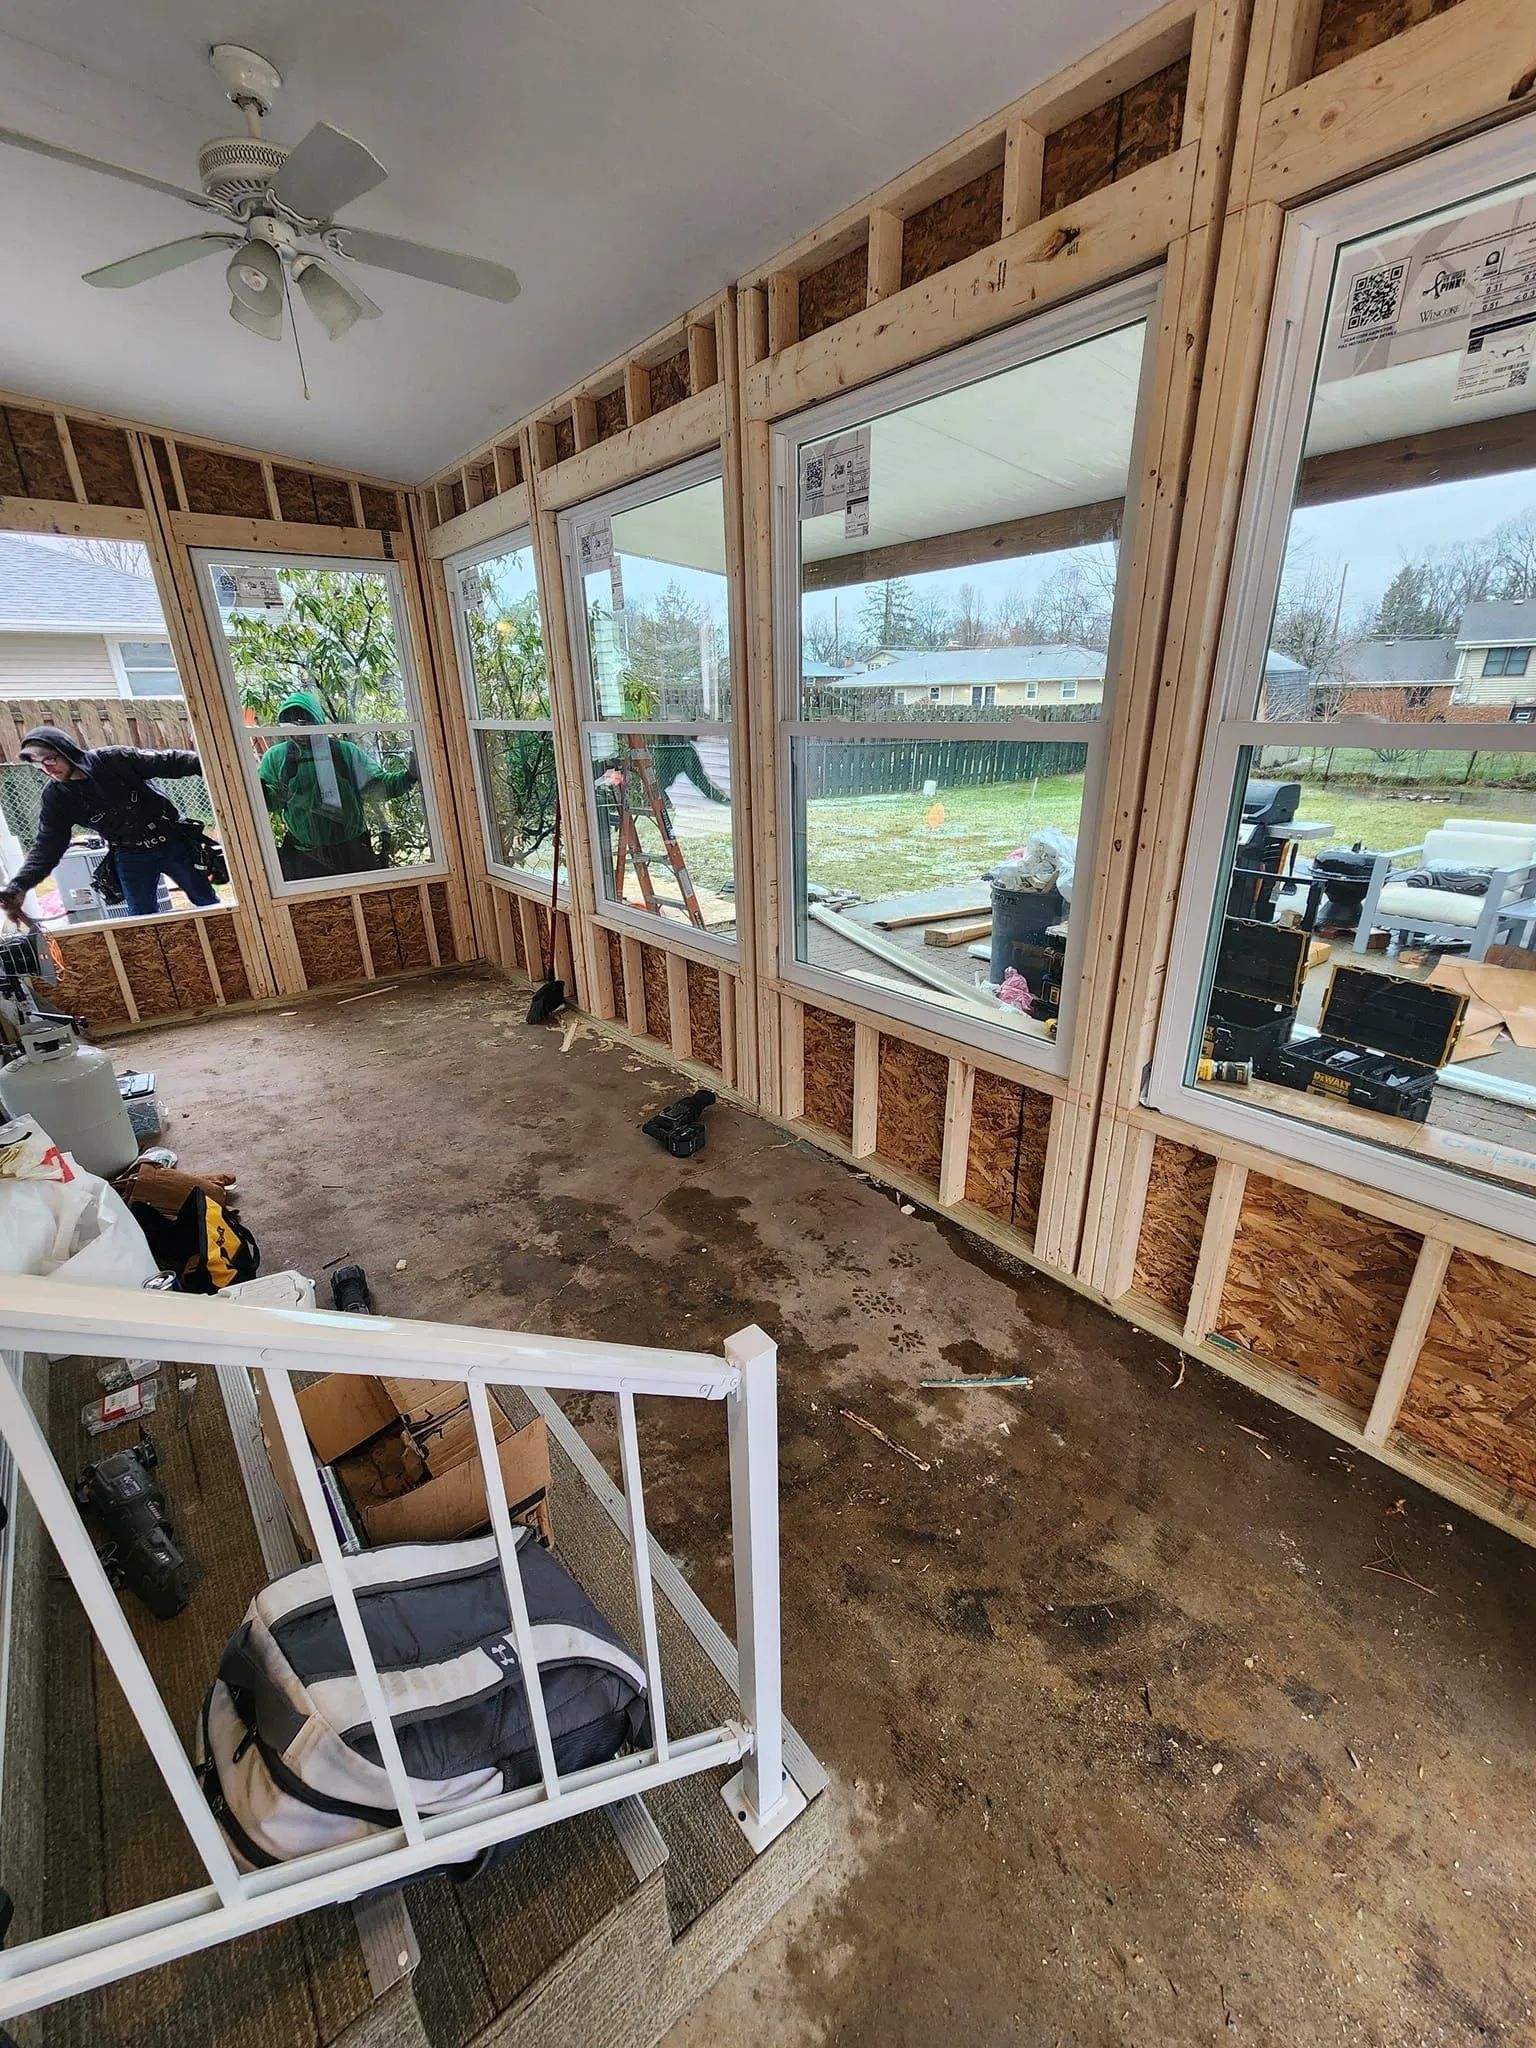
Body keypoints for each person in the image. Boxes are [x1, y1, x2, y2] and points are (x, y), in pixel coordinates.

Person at [0, 725, 219, 921]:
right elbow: (47, 847)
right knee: (141, 921)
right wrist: (18, 887)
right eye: (38, 764)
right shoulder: (57, 797)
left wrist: (219, 765)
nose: (47, 768)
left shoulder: (114, 760)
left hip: (173, 842)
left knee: (207, 903)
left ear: (67, 752)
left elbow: (171, 762)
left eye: (50, 759)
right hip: (130, 855)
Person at [258, 690, 420, 881]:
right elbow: (270, 802)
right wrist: (257, 789)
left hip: (351, 851)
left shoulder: (344, 752)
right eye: (290, 724)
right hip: (306, 856)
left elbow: (378, 786)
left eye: (305, 722)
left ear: (318, 722)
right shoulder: (277, 758)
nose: (299, 730)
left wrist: (409, 776)